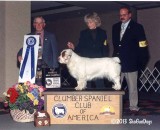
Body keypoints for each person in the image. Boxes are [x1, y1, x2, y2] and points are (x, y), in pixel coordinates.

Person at [112, 6, 149, 112]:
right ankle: (114, 105)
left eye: (124, 15)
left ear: (129, 15)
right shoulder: (115, 27)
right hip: (117, 62)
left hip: (132, 62)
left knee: (132, 87)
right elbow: (116, 46)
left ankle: (133, 106)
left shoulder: (138, 27)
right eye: (120, 15)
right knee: (116, 85)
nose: (121, 17)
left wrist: (141, 63)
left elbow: (143, 46)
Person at [67, 12, 109, 89]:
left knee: (100, 83)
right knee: (86, 84)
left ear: (96, 21)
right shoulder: (83, 33)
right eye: (87, 22)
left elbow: (105, 47)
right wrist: (73, 47)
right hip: (86, 62)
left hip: (98, 62)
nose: (88, 24)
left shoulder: (103, 32)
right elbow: (80, 47)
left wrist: (105, 60)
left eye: (90, 22)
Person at [17, 16, 59, 85]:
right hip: (34, 66)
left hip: (47, 66)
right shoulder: (29, 36)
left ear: (44, 24)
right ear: (34, 25)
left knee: (47, 87)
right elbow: (24, 48)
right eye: (36, 23)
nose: (39, 25)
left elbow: (55, 52)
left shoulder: (51, 36)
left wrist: (55, 68)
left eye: (40, 23)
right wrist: (19, 55)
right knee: (34, 87)